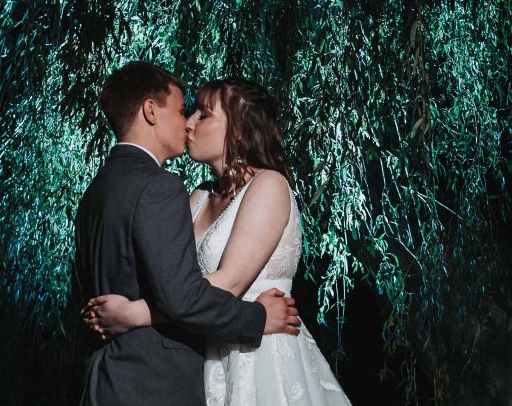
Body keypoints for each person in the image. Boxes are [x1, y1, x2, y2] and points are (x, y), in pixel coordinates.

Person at [83, 76, 351, 405]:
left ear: (237, 129)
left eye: (203, 114)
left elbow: (228, 285)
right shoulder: (196, 196)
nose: (189, 123)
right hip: (204, 356)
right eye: (189, 112)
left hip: (258, 354)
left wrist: (134, 314)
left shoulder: (269, 185)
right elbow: (176, 285)